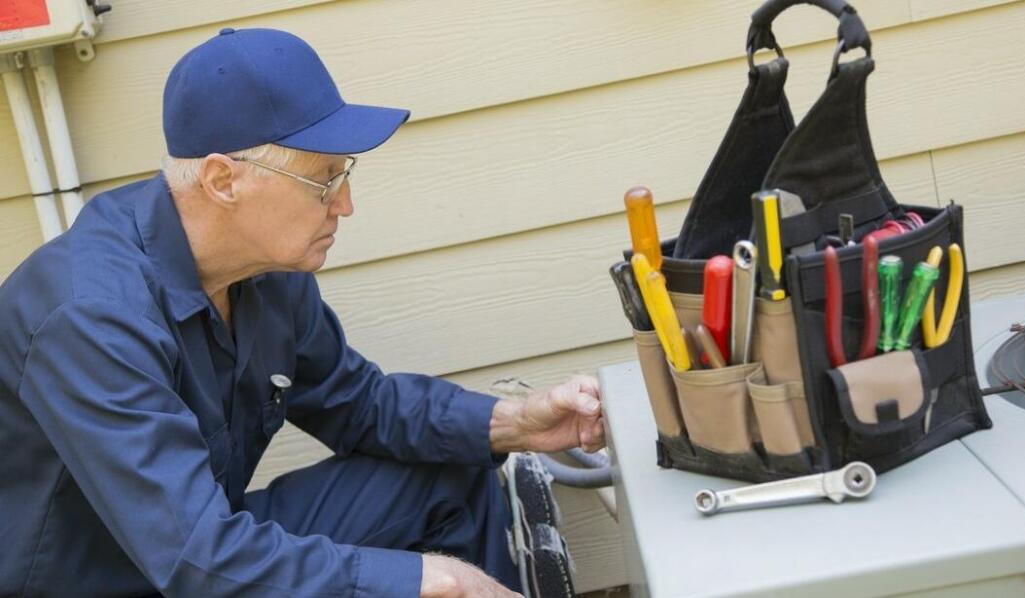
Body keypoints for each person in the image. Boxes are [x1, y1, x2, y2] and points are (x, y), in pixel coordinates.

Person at [0, 28, 605, 597]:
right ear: (222, 180)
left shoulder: (264, 272)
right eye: (323, 180)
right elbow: (197, 557)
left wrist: (518, 421)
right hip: (119, 580)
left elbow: (362, 406)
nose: (345, 205)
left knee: (450, 475)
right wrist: (421, 579)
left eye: (344, 174)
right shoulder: (90, 319)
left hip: (202, 555)